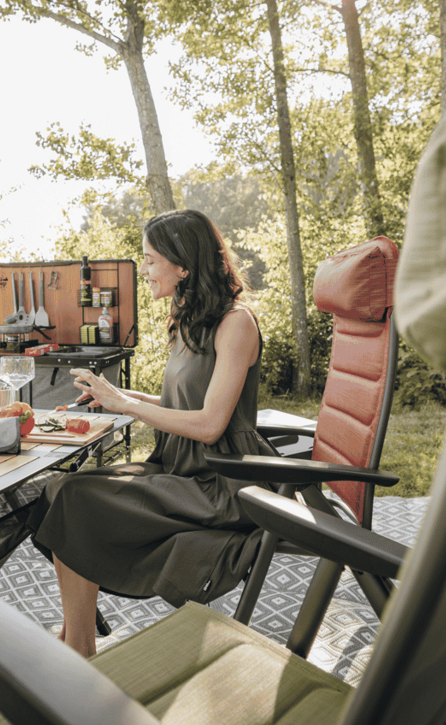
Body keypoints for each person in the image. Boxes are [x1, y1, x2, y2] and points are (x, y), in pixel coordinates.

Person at [27, 209, 278, 657]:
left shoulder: (235, 324)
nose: (142, 270)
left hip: (220, 483)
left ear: (183, 265)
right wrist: (119, 395)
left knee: (75, 498)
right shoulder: (188, 320)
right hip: (182, 467)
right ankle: (76, 637)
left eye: (149, 260)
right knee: (57, 491)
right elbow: (185, 405)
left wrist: (127, 406)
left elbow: (210, 424)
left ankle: (78, 647)